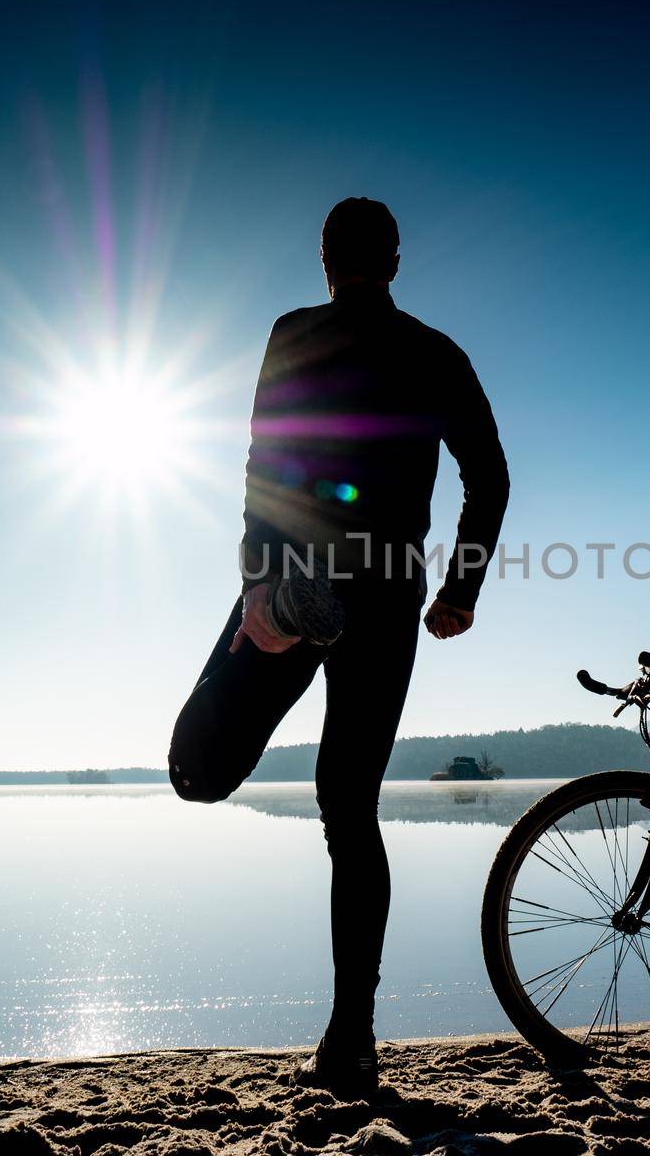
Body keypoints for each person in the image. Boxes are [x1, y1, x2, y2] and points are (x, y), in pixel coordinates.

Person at [168, 197, 510, 1096]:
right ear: (395, 260)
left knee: (196, 772)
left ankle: (351, 1037)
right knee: (347, 812)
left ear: (325, 257)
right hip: (390, 594)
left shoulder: (294, 332)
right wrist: (459, 590)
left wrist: (255, 581)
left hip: (293, 582)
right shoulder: (438, 353)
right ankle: (352, 1038)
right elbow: (491, 477)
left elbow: (263, 456)